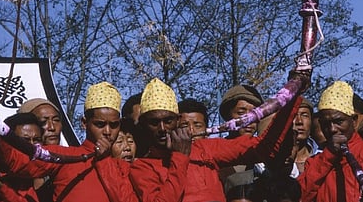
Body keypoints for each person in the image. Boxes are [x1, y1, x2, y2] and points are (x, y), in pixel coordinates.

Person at [129, 77, 303, 202]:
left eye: (168, 121)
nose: (162, 129)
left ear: (176, 121)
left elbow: (264, 148)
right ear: (144, 126)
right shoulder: (142, 167)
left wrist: (292, 95)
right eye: (154, 122)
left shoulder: (205, 149)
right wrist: (180, 158)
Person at [0, 82, 138, 202]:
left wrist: (103, 161)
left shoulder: (126, 165)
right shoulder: (65, 155)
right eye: (100, 124)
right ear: (84, 123)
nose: (108, 132)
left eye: (114, 125)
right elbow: (16, 163)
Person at [298, 80, 363, 202]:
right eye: (326, 124)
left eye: (338, 122)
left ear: (353, 121)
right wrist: (328, 156)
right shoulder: (314, 162)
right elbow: (299, 195)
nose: (332, 129)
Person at [217, 85, 265, 194]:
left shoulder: (264, 153)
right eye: (241, 113)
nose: (248, 120)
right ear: (228, 117)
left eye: (254, 114)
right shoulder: (216, 153)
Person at [289, 98, 320, 177]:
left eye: (305, 115)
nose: (299, 121)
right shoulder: (272, 162)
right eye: (293, 115)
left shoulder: (322, 157)